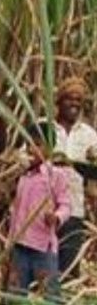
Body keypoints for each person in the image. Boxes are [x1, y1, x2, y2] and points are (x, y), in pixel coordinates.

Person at [6, 122, 70, 302]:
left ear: (50, 148)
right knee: (16, 294)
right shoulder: (24, 175)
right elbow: (16, 210)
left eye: (38, 144)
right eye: (29, 144)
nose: (31, 149)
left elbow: (66, 205)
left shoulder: (55, 175)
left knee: (50, 294)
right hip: (20, 245)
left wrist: (56, 217)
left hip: (43, 247)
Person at [53, 77, 97, 280]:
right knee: (42, 268)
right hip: (42, 210)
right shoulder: (44, 127)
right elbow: (25, 160)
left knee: (69, 269)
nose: (74, 103)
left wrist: (73, 164)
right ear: (59, 101)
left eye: (78, 99)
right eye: (69, 98)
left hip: (74, 210)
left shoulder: (89, 135)